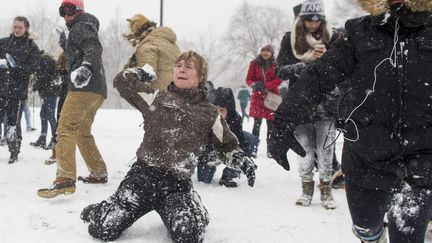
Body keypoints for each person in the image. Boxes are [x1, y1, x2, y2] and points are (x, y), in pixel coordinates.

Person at [269, 0, 432, 242]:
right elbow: (318, 77)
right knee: (366, 226)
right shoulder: (358, 32)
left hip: (422, 156)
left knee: (408, 235)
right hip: (367, 154)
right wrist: (282, 122)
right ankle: (373, 235)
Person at [79, 51, 257, 242]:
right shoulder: (156, 98)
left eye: (189, 67)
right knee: (102, 230)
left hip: (176, 185)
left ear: (201, 77)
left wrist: (240, 159)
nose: (182, 70)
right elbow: (121, 82)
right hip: (142, 179)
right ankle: (103, 210)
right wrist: (141, 72)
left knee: (189, 236)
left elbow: (227, 146)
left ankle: (195, 211)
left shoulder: (210, 114)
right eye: (178, 66)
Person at [37, 0, 108, 198]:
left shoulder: (80, 26)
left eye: (70, 10)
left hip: (82, 87)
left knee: (65, 129)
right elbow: (79, 50)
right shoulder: (85, 26)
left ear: (79, 11)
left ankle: (65, 178)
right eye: (62, 11)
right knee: (82, 131)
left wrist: (86, 68)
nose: (66, 15)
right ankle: (98, 171)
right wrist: (64, 41)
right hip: (98, 90)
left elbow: (93, 47)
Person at [275, 0, 341, 209]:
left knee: (326, 150)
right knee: (304, 150)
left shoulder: (335, 37)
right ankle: (306, 190)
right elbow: (279, 71)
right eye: (309, 19)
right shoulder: (290, 38)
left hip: (327, 101)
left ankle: (326, 191)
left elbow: (344, 68)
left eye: (318, 19)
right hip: (300, 102)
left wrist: (325, 60)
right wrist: (305, 64)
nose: (314, 23)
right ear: (302, 19)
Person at [197, 87, 259, 187]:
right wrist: (211, 155)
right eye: (215, 110)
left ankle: (229, 175)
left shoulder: (235, 119)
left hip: (229, 149)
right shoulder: (207, 118)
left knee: (249, 140)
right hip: (210, 153)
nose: (218, 114)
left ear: (229, 110)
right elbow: (201, 144)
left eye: (221, 110)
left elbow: (240, 143)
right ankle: (209, 167)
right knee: (204, 179)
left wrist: (238, 159)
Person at [0, 16, 40, 163]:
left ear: (26, 29)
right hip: (1, 87)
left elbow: (34, 67)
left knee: (13, 123)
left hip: (17, 91)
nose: (17, 30)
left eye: (20, 27)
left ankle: (14, 151)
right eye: (15, 27)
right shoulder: (4, 43)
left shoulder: (31, 46)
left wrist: (16, 67)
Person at [123, 13, 181, 91]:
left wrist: (130, 73)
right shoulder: (167, 40)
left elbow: (148, 72)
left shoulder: (147, 46)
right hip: (179, 90)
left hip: (163, 93)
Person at [246, 44, 282, 158]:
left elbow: (279, 79)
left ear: (271, 53)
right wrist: (254, 85)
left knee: (271, 125)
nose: (265, 53)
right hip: (258, 98)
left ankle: (270, 150)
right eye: (263, 51)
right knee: (256, 125)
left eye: (268, 51)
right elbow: (248, 79)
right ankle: (253, 148)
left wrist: (267, 85)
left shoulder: (276, 65)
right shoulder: (254, 64)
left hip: (271, 97)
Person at [30, 51, 59, 150]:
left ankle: (55, 140)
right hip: (46, 91)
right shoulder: (40, 59)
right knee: (43, 114)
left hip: (51, 91)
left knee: (50, 115)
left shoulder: (43, 60)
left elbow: (45, 76)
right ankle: (43, 137)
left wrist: (35, 86)